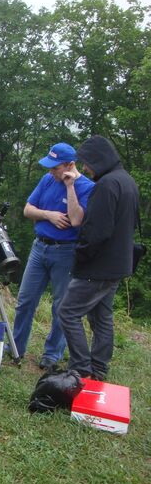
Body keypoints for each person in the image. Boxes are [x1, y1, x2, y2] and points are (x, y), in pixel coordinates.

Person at [58, 135, 140, 381]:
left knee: (68, 312)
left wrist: (81, 255)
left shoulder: (106, 186)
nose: (84, 168)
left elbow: (97, 231)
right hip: (118, 265)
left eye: (87, 162)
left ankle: (81, 368)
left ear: (99, 159)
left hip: (97, 267)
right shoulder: (127, 181)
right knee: (101, 317)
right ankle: (99, 368)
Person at [11, 143, 94, 370]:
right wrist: (48, 215)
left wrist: (70, 187)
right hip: (40, 248)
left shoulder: (87, 187)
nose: (51, 172)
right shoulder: (47, 180)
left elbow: (77, 220)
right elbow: (28, 209)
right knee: (25, 300)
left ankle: (52, 354)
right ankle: (16, 346)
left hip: (66, 252)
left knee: (61, 306)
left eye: (55, 168)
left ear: (70, 165)